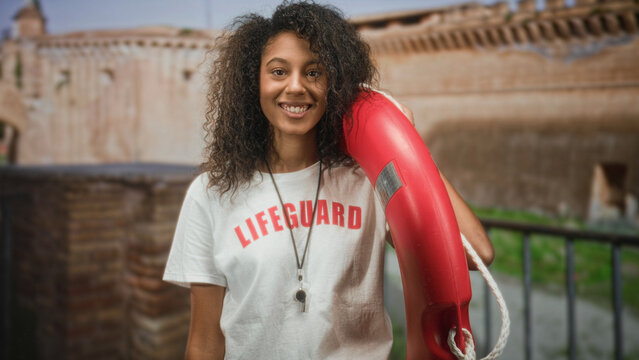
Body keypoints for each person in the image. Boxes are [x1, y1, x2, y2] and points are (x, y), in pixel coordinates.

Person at [163, 2, 494, 359]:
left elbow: (477, 253)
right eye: (278, 71)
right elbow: (204, 343)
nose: (295, 87)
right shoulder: (211, 193)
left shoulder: (369, 179)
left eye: (313, 72)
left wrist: (407, 148)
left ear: (333, 83)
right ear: (252, 81)